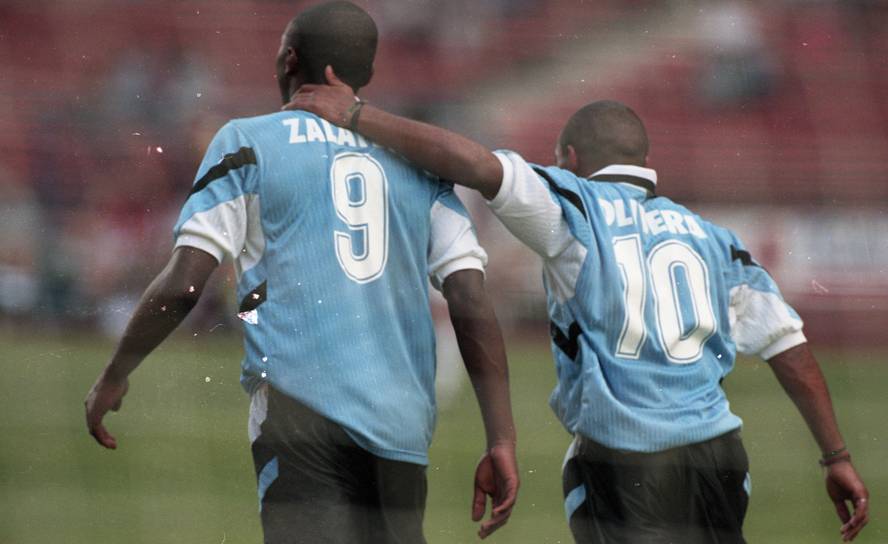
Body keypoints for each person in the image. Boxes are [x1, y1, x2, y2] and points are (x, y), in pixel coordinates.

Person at [285, 69, 870, 543]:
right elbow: (789, 348)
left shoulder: (573, 205)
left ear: (568, 157)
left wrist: (357, 115)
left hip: (626, 460)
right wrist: (835, 456)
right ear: (644, 161)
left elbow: (477, 164)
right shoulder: (714, 238)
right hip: (720, 456)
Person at [84, 3, 519, 543]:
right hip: (401, 422)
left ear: (291, 60)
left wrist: (115, 372)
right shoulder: (419, 163)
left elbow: (186, 281)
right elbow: (471, 301)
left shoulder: (248, 141)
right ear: (367, 75)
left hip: (300, 411)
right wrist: (501, 437)